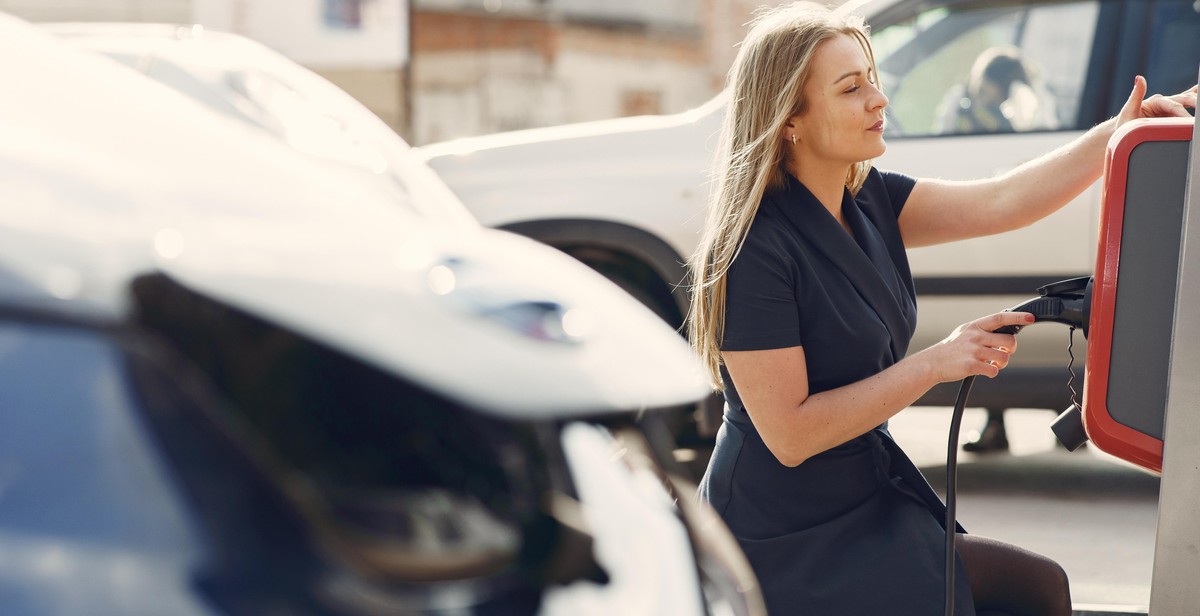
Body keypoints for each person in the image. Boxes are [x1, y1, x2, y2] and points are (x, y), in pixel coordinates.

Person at [687, 3, 1196, 614]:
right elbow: (791, 435)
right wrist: (938, 362)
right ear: (788, 119)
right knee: (1028, 589)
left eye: (873, 78)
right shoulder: (755, 249)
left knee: (1033, 587)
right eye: (851, 88)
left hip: (862, 495)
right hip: (779, 532)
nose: (879, 99)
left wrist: (1116, 133)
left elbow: (1003, 201)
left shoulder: (870, 198)